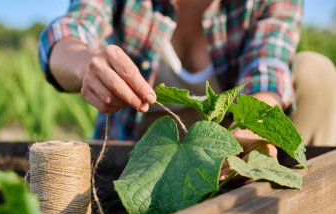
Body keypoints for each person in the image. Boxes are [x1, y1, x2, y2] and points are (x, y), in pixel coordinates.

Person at [38, 0, 336, 158]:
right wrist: (83, 61)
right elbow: (70, 31)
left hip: (229, 138)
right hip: (143, 148)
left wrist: (251, 132)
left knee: (316, 73)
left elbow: (267, 68)